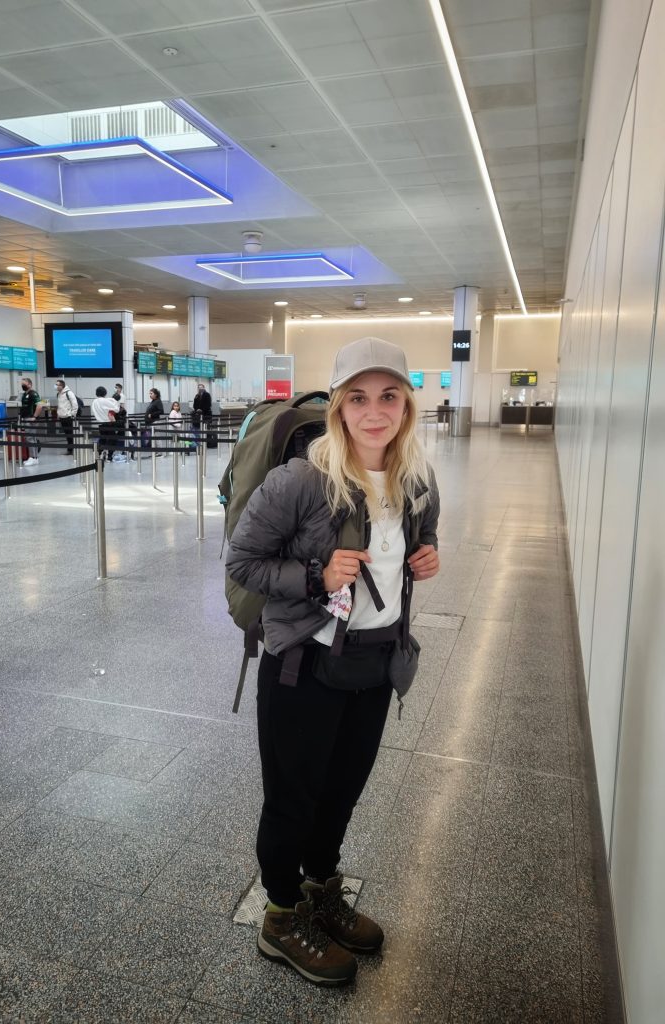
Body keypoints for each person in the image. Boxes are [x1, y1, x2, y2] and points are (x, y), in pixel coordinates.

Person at [226, 337, 440, 987]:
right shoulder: (300, 479)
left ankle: (320, 893)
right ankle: (281, 918)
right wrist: (315, 576)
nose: (375, 411)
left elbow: (414, 543)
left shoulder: (416, 480)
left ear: (406, 405)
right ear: (340, 407)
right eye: (359, 398)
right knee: (293, 800)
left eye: (389, 396)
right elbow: (242, 563)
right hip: (303, 666)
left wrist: (424, 557)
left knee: (341, 795)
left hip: (374, 666)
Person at [90, 386, 120, 460]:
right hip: (109, 423)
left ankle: (99, 453)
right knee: (112, 439)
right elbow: (116, 409)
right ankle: (109, 455)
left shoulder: (94, 402)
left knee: (102, 439)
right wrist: (115, 402)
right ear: (105, 393)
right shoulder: (105, 401)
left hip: (100, 423)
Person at [20, 377, 42, 467]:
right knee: (29, 438)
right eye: (22, 384)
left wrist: (34, 417)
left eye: (24, 384)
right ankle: (34, 457)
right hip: (25, 418)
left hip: (31, 419)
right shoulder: (24, 394)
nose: (22, 385)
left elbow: (39, 405)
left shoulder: (34, 394)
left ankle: (33, 457)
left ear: (29, 384)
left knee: (31, 438)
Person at [55, 379, 79, 456]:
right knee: (67, 434)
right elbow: (60, 405)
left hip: (68, 417)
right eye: (56, 385)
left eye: (58, 385)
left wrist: (72, 414)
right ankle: (70, 449)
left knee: (70, 434)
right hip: (62, 417)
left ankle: (72, 450)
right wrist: (58, 414)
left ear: (62, 386)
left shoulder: (69, 393)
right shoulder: (58, 394)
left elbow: (75, 405)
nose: (56, 386)